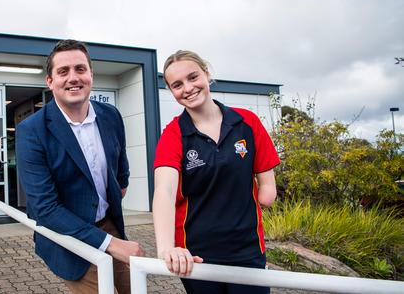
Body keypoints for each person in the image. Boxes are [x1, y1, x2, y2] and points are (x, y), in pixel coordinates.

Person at [16, 39, 144, 294]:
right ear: (50, 81)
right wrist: (111, 244)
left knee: (134, 289)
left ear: (91, 75)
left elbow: (121, 163)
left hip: (108, 223)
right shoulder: (31, 131)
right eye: (63, 72)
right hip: (68, 237)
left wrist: (121, 185)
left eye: (80, 69)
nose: (73, 78)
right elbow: (45, 208)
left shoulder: (110, 115)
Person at [153, 50, 278, 294]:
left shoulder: (247, 122)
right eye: (177, 85)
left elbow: (267, 190)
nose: (187, 88)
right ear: (171, 91)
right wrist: (166, 248)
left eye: (193, 77)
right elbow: (164, 190)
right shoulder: (173, 134)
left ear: (207, 74)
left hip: (248, 252)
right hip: (196, 257)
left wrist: (263, 194)